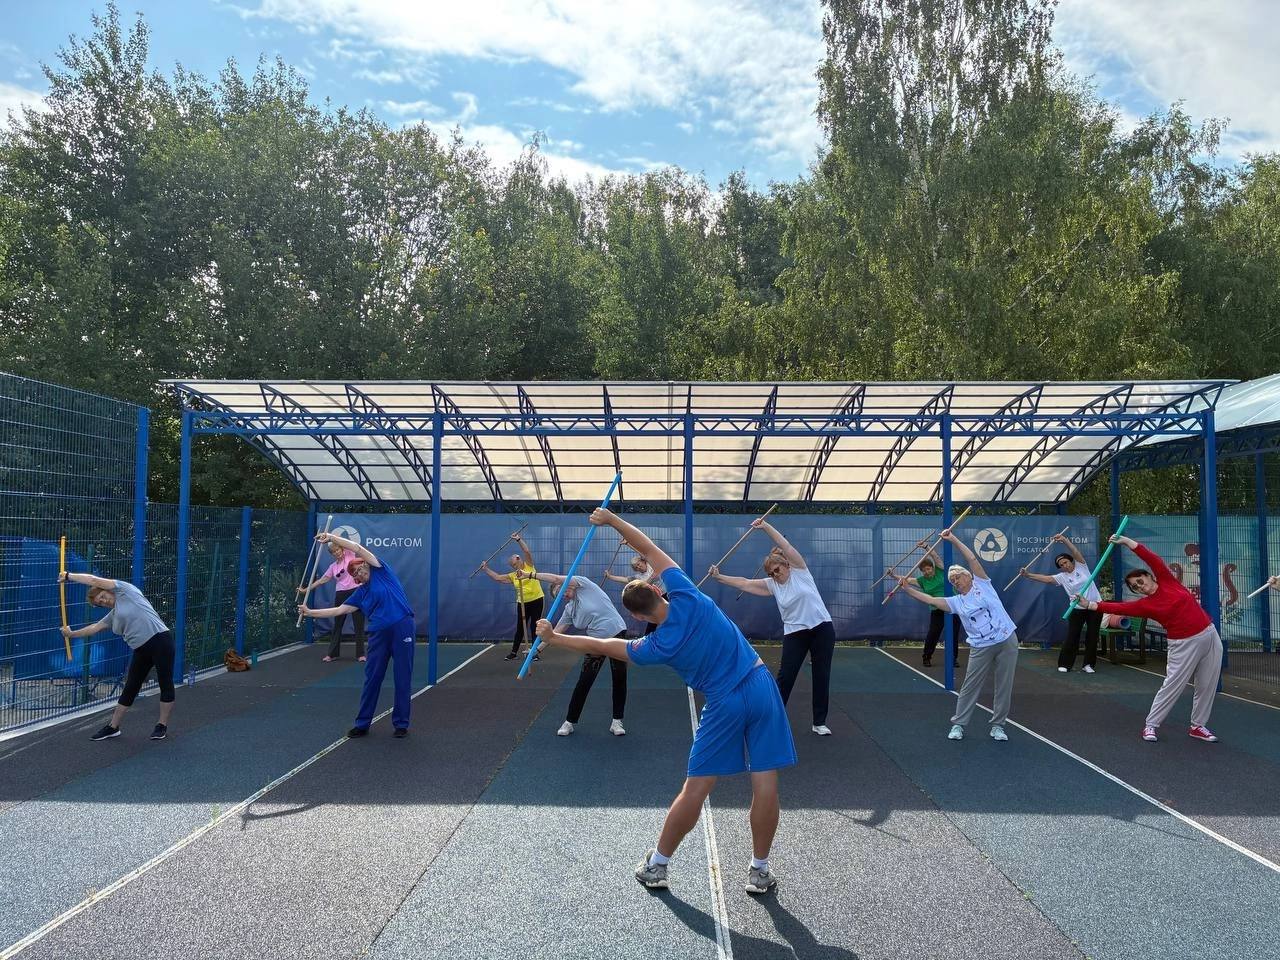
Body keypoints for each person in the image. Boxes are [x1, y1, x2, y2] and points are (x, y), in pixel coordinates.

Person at [535, 507, 796, 895]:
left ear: (634, 615)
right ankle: (759, 871)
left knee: (696, 789)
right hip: (759, 685)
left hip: (724, 703)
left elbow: (602, 645)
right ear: (657, 590)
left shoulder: (655, 646)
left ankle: (658, 866)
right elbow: (649, 548)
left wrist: (555, 638)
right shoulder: (688, 594)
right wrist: (612, 520)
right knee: (765, 783)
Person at [1073, 535, 1223, 743]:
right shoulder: (1145, 605)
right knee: (1172, 685)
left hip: (1209, 634)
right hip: (1183, 644)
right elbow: (1119, 607)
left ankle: (1198, 726)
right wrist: (1090, 604)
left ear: (1149, 576)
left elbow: (1150, 557)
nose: (1139, 586)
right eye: (1135, 587)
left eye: (1140, 581)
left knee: (1207, 684)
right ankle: (1151, 725)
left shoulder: (1167, 580)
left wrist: (1126, 541)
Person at [707, 519, 836, 736]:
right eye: (771, 573)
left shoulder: (800, 571)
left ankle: (819, 722)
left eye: (777, 570)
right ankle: (772, 718)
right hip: (795, 633)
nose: (776, 575)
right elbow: (745, 583)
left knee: (821, 675)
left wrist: (765, 526)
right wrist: (719, 577)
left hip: (822, 628)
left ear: (786, 565)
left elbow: (786, 546)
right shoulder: (772, 585)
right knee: (786, 676)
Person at [894, 528, 1019, 742]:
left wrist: (953, 539)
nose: (955, 581)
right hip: (980, 646)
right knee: (970, 686)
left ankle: (998, 726)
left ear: (968, 576)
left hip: (1007, 640)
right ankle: (958, 724)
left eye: (958, 577)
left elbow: (972, 558)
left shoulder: (983, 584)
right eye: (952, 580)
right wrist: (907, 589)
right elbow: (930, 600)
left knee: (1004, 685)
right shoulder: (956, 602)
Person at [298, 531, 415, 738]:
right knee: (372, 678)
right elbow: (339, 611)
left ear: (366, 565)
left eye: (360, 568)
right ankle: (362, 724)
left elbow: (357, 548)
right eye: (355, 573)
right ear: (355, 580)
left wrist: (331, 537)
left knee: (402, 676)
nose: (359, 573)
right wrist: (310, 612)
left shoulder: (381, 571)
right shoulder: (360, 594)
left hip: (402, 626)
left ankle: (401, 724)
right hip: (378, 634)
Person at [59, 571, 175, 742]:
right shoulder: (113, 615)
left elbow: (93, 579)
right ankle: (113, 727)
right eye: (100, 602)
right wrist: (71, 634)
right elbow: (94, 628)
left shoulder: (126, 591)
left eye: (102, 596)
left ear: (107, 590)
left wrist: (69, 576)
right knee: (130, 687)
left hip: (160, 641)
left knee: (165, 682)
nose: (104, 601)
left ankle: (161, 725)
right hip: (141, 649)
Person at [525, 570, 629, 737]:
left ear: (567, 583)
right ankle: (570, 722)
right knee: (584, 680)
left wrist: (530, 575)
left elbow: (556, 578)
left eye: (562, 590)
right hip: (595, 642)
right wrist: (536, 650)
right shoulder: (569, 609)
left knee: (619, 677)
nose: (564, 595)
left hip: (616, 633)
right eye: (559, 596)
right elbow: (555, 633)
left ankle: (617, 721)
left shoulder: (583, 584)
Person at [1017, 532, 1101, 674]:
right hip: (1077, 607)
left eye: (1066, 562)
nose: (1065, 566)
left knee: (1092, 636)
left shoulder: (1082, 566)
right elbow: (1046, 579)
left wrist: (1064, 540)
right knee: (1072, 636)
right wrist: (1028, 575)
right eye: (1061, 565)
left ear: (1071, 561)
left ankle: (1088, 664)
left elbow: (1075, 551)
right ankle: (1065, 664)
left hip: (1094, 605)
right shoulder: (1062, 577)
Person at [298, 540, 366, 663]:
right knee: (337, 624)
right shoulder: (333, 567)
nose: (337, 553)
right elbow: (321, 580)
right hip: (341, 594)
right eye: (334, 552)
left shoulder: (350, 555)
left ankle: (360, 654)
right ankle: (332, 654)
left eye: (338, 550)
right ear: (332, 554)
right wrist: (305, 590)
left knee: (359, 623)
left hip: (356, 592)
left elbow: (346, 543)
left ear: (342, 549)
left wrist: (329, 538)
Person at [480, 532, 542, 661]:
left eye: (515, 562)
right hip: (522, 603)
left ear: (519, 559)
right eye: (513, 565)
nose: (515, 565)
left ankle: (534, 653)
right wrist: (486, 569)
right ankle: (514, 652)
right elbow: (498, 578)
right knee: (520, 627)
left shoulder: (529, 566)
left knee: (534, 626)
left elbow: (527, 551)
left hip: (537, 600)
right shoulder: (513, 576)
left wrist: (518, 539)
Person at [899, 540, 961, 668]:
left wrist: (926, 547)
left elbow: (935, 557)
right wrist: (893, 575)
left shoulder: (941, 570)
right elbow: (906, 580)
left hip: (953, 606)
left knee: (953, 634)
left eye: (928, 569)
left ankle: (953, 659)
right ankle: (926, 657)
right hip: (937, 608)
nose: (926, 572)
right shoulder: (922, 580)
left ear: (932, 567)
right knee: (933, 634)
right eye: (923, 570)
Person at [606, 551, 662, 635]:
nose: (638, 567)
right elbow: (624, 579)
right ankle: (648, 635)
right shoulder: (638, 577)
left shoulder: (651, 565)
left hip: (665, 594)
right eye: (636, 567)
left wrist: (629, 544)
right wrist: (610, 577)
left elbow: (643, 552)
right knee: (654, 618)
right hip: (656, 599)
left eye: (639, 564)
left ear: (643, 561)